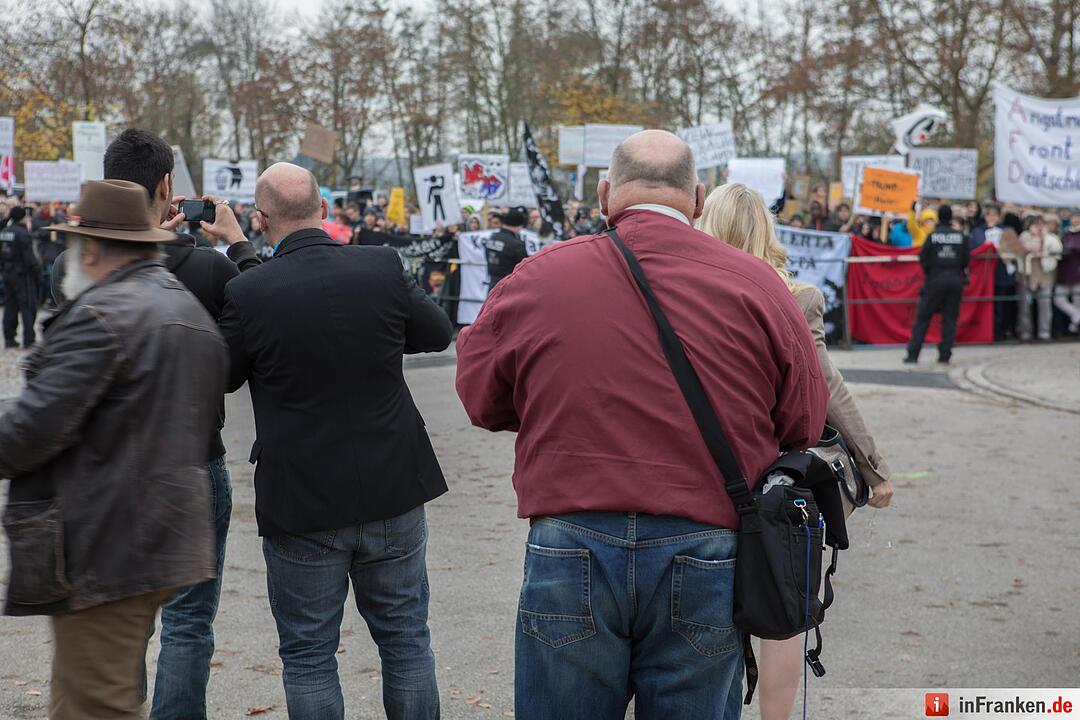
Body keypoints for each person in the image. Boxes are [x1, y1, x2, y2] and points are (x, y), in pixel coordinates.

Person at [455, 130, 829, 720]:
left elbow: (481, 398)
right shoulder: (758, 285)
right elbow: (803, 421)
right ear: (697, 199)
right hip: (706, 540)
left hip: (572, 536)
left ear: (605, 194)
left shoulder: (538, 277)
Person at [218, 162, 452, 719]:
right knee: (406, 641)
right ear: (324, 209)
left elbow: (223, 374)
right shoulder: (380, 265)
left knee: (309, 656)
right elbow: (437, 332)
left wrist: (240, 257)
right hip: (392, 482)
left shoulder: (249, 291)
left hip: (304, 496)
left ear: (260, 219)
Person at [0, 179, 227, 719]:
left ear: (91, 249)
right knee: (91, 697)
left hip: (105, 542)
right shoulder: (180, 304)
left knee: (94, 705)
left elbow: (30, 430)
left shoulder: (103, 313)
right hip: (156, 534)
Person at [696, 182, 894, 720]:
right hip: (773, 480)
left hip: (698, 473)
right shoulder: (795, 297)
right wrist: (874, 469)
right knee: (781, 613)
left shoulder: (682, 291)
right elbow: (828, 389)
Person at [904, 205, 970, 364]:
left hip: (934, 280)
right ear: (951, 217)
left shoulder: (932, 236)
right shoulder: (960, 236)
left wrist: (931, 272)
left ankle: (913, 354)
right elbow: (966, 259)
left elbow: (923, 258)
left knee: (923, 318)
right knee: (950, 319)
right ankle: (945, 355)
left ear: (938, 217)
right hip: (955, 280)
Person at [1010, 214, 1061, 341]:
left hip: (1045, 276)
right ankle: (1025, 333)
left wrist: (1044, 245)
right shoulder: (1023, 237)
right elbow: (1022, 249)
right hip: (1026, 277)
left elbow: (1057, 249)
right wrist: (1036, 244)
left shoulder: (1050, 237)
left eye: (1040, 224)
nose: (1038, 227)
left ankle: (1045, 332)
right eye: (1035, 224)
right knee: (1025, 307)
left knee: (1045, 305)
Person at [0, 206, 42, 349]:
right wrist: (38, 274)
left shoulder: (5, 231)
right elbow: (29, 257)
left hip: (8, 273)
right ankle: (28, 339)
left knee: (10, 306)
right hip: (22, 275)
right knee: (27, 306)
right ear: (22, 217)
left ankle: (9, 339)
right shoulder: (22, 233)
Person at [485, 208, 527, 289]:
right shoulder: (516, 244)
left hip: (493, 285)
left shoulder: (492, 237)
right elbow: (524, 267)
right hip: (509, 287)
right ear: (518, 225)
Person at [1053, 211, 1080, 334]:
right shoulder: (1065, 233)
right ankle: (1077, 317)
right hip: (1064, 273)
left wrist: (1073, 248)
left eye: (1078, 217)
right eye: (1074, 217)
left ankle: (1074, 327)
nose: (1075, 220)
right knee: (1058, 299)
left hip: (1077, 273)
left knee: (1077, 301)